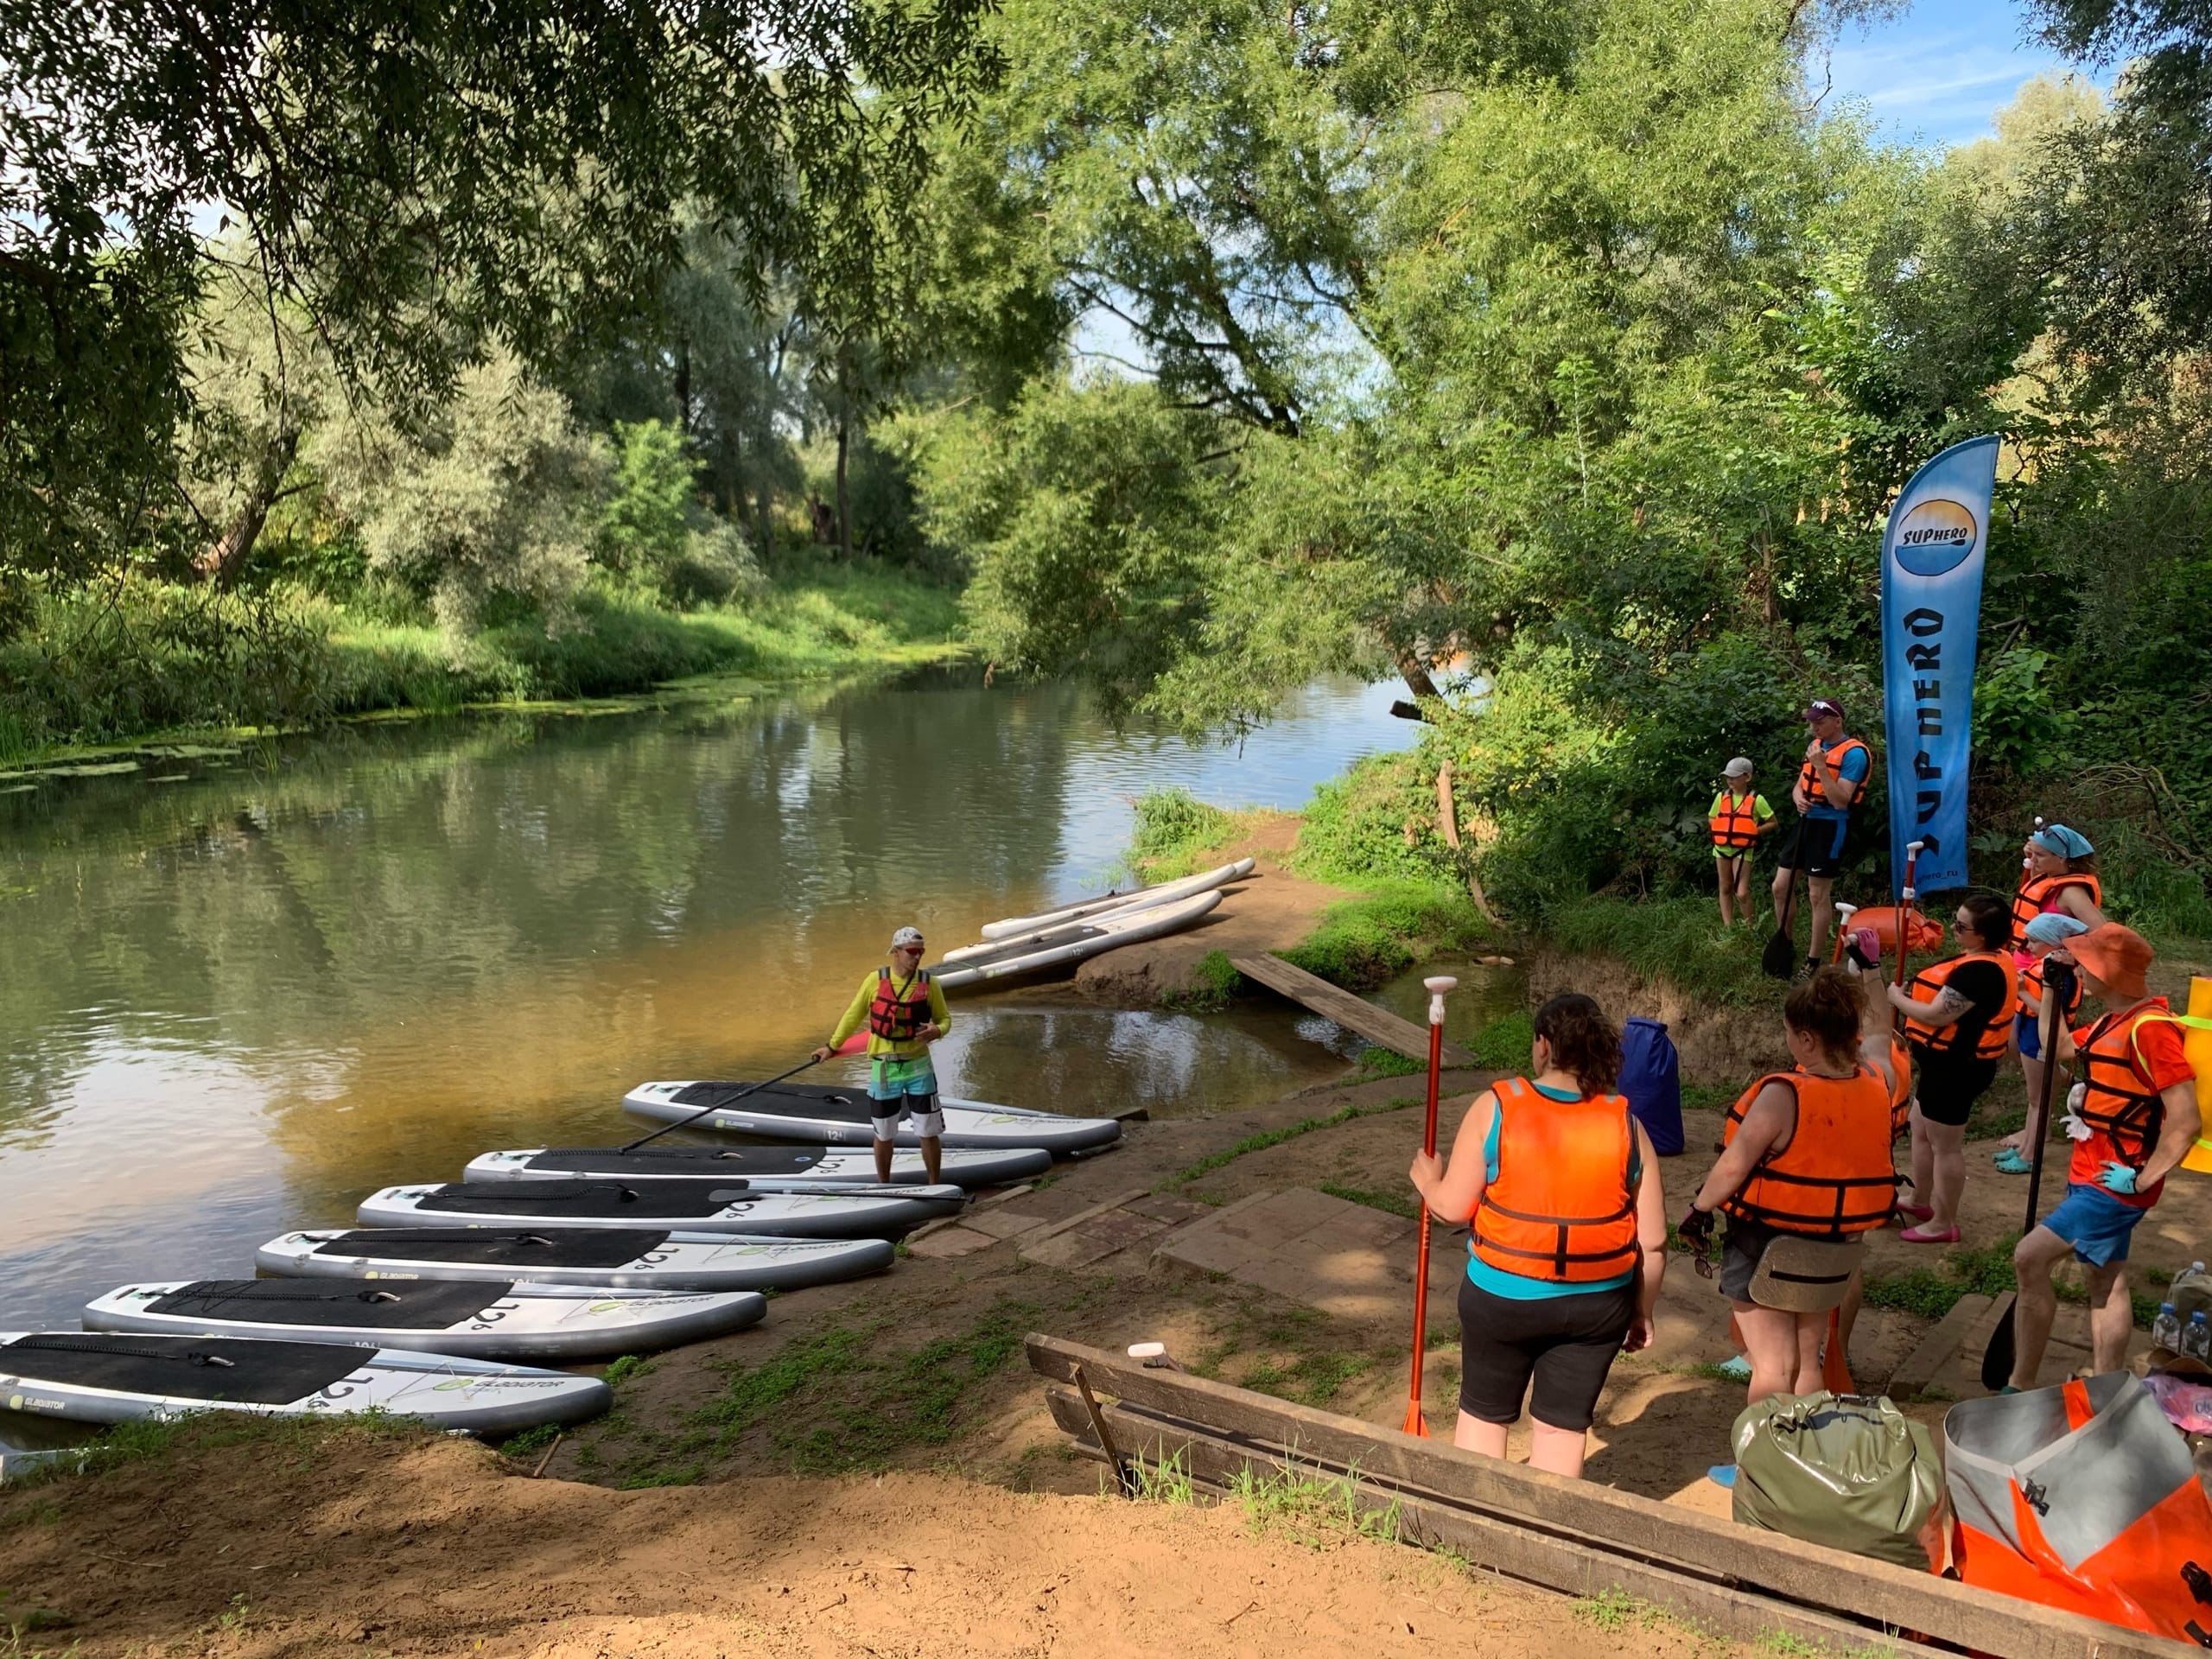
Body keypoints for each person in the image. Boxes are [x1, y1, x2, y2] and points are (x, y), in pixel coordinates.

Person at [1408, 994, 1669, 1479]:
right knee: (1560, 1431)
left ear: (1544, 1046)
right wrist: (1642, 1311)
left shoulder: (1496, 1107)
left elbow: (1451, 1208)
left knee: (1484, 1415)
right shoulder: (1629, 1126)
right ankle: (1546, 1518)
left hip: (1501, 1299)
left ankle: (1477, 1516)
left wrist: (1427, 1180)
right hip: (1597, 1309)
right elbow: (1652, 1244)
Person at [2007, 924, 2202, 1390]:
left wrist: (2142, 1179)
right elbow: (2060, 1047)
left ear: (2109, 972)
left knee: (2029, 1258)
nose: (2080, 969)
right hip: (2090, 1169)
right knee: (2105, 1280)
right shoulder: (2115, 1020)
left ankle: (2018, 1384)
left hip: (2115, 1183)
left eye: (2086, 962)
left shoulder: (2151, 1030)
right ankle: (2108, 1386)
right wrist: (2051, 990)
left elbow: (2186, 1119)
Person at [1886, 893, 2018, 1243]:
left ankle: (1943, 1223)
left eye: (1961, 926)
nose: (1954, 929)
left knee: (1946, 1147)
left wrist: (1897, 998)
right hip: (1941, 1067)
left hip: (1957, 1070)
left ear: (1984, 935)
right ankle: (1920, 1199)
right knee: (1920, 1127)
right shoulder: (1983, 958)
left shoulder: (1980, 972)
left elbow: (1936, 1015)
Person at [813, 926, 951, 1183]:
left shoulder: (929, 983)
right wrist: (831, 1046)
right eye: (912, 951)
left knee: (928, 1131)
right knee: (884, 1133)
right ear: (896, 952)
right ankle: (883, 1184)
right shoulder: (874, 981)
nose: (917, 956)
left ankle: (935, 1184)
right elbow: (852, 1016)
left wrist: (937, 1031)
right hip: (884, 1069)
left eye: (921, 952)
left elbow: (945, 1019)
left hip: (919, 1066)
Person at [1770, 698, 1872, 976]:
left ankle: (1812, 961)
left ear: (1837, 722)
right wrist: (1798, 799)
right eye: (1812, 722)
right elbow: (1799, 785)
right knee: (1780, 887)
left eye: (1820, 722)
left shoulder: (1854, 754)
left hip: (1830, 827)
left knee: (1817, 894)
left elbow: (1841, 800)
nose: (1814, 727)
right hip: (1805, 822)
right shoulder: (1815, 746)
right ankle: (1785, 944)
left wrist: (1823, 767)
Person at [1993, 912, 2089, 1174]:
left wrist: (2022, 991)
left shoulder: (2060, 975)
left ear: (2053, 943)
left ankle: (2030, 1156)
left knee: (2039, 1100)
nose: (2028, 946)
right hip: (2030, 1032)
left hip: (2042, 1038)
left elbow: (2050, 1013)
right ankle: (2024, 1147)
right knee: (2034, 1099)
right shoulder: (2046, 966)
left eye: (2035, 941)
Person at [1710, 757, 1777, 927]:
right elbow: (1711, 818)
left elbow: (1772, 822)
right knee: (1725, 887)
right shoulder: (1721, 797)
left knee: (1742, 893)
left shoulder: (1757, 800)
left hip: (1743, 850)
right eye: (1728, 776)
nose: (1730, 780)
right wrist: (1720, 827)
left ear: (1747, 777)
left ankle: (1750, 927)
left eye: (1734, 776)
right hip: (1721, 849)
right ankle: (1728, 927)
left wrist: (1754, 831)